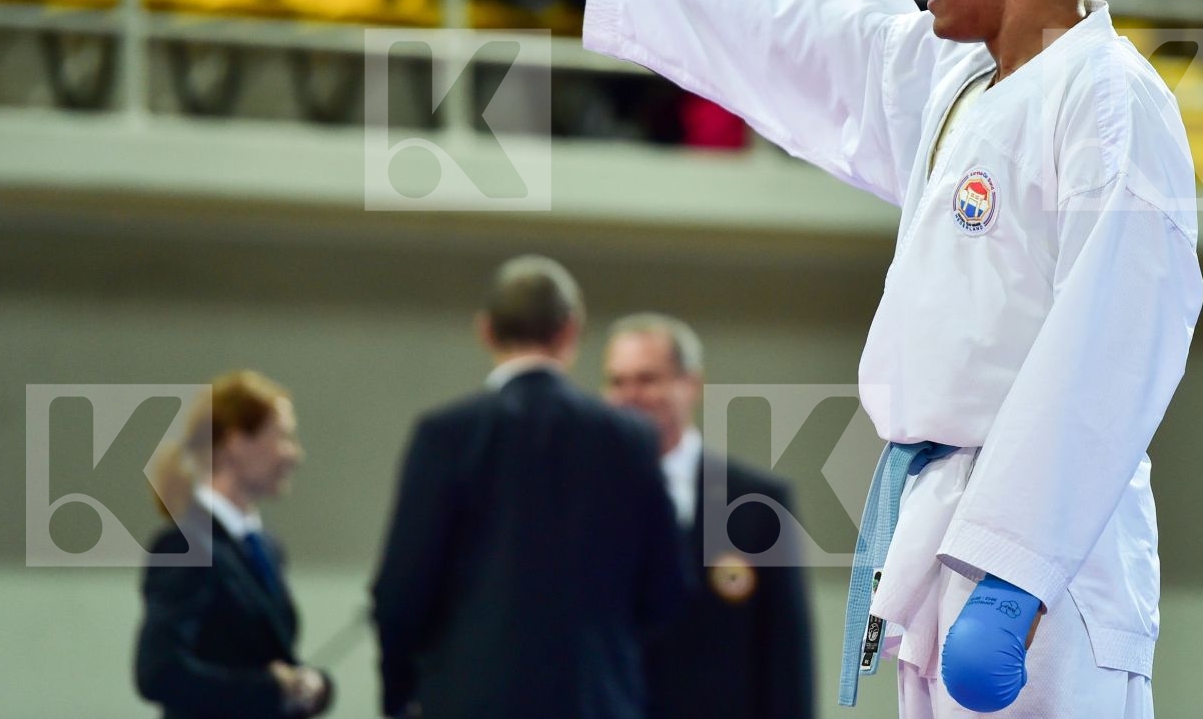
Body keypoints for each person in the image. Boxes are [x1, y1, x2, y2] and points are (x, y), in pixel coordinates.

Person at [449, 0, 1203, 718]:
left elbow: (1119, 337)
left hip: (1054, 552)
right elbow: (789, 18)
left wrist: (1019, 573)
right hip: (944, 517)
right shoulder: (956, 77)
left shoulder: (1110, 98)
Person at [371, 255, 687, 719]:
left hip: (469, 700)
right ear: (570, 331)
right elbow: (666, 587)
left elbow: (400, 590)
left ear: (485, 331)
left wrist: (400, 694)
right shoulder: (628, 438)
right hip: (594, 701)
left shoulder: (446, 433)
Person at [603, 313, 815, 719]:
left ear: (690, 384)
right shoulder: (585, 501)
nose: (630, 395)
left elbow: (786, 653)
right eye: (617, 381)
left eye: (647, 379)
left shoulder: (758, 504)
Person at [134, 371, 333, 719]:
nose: (294, 454)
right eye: (282, 437)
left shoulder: (266, 548)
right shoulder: (185, 544)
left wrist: (310, 683)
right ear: (236, 442)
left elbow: (265, 656)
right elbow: (160, 672)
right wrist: (271, 689)